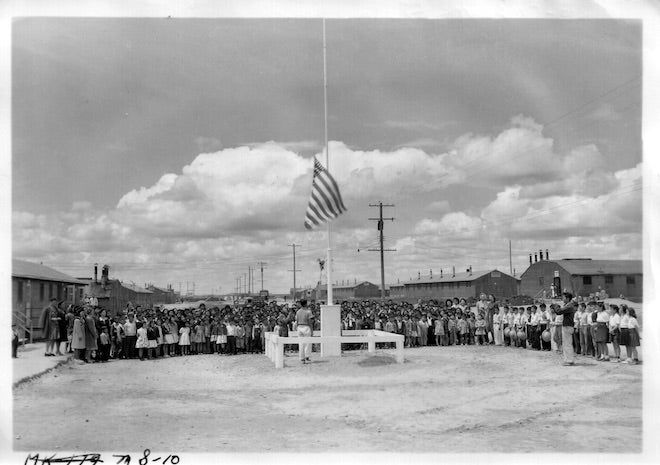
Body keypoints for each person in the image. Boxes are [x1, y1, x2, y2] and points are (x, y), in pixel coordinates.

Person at [553, 292, 577, 366]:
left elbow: (559, 311)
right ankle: (568, 359)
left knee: (567, 344)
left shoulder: (569, 306)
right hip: (567, 325)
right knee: (566, 343)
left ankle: (569, 360)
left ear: (567, 298)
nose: (562, 299)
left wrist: (555, 304)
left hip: (568, 326)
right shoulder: (568, 305)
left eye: (563, 298)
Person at [295, 299, 314, 364]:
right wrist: (311, 330)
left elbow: (297, 321)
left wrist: (297, 327)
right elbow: (310, 321)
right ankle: (307, 356)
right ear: (306, 304)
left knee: (301, 343)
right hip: (306, 326)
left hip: (299, 326)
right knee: (307, 343)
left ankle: (302, 358)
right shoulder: (308, 311)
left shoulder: (298, 312)